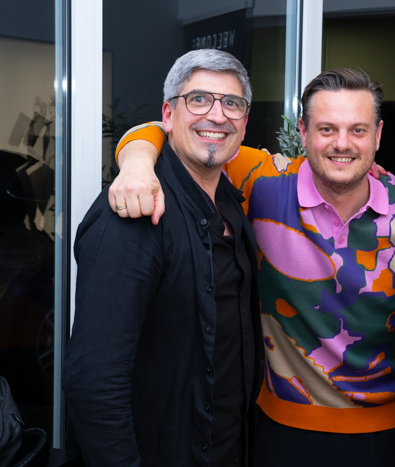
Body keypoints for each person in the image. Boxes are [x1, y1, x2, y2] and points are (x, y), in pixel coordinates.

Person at [110, 68, 395, 466]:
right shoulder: (263, 182)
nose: (342, 143)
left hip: (389, 435)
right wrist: (135, 164)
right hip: (278, 431)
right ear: (303, 132)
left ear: (377, 135)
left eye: (357, 129)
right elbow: (169, 129)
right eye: (327, 129)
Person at [61, 49, 262, 466]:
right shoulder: (133, 215)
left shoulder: (233, 201)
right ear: (168, 115)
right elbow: (94, 383)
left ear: (244, 122)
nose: (217, 116)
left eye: (232, 103)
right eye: (198, 99)